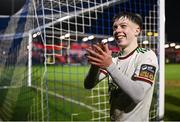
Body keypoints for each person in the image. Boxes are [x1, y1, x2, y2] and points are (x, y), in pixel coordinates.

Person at [84, 12, 158, 121]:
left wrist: (109, 66)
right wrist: (95, 66)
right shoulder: (113, 58)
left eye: (123, 26)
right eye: (115, 27)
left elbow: (138, 94)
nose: (117, 30)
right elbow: (88, 85)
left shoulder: (146, 55)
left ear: (137, 30)